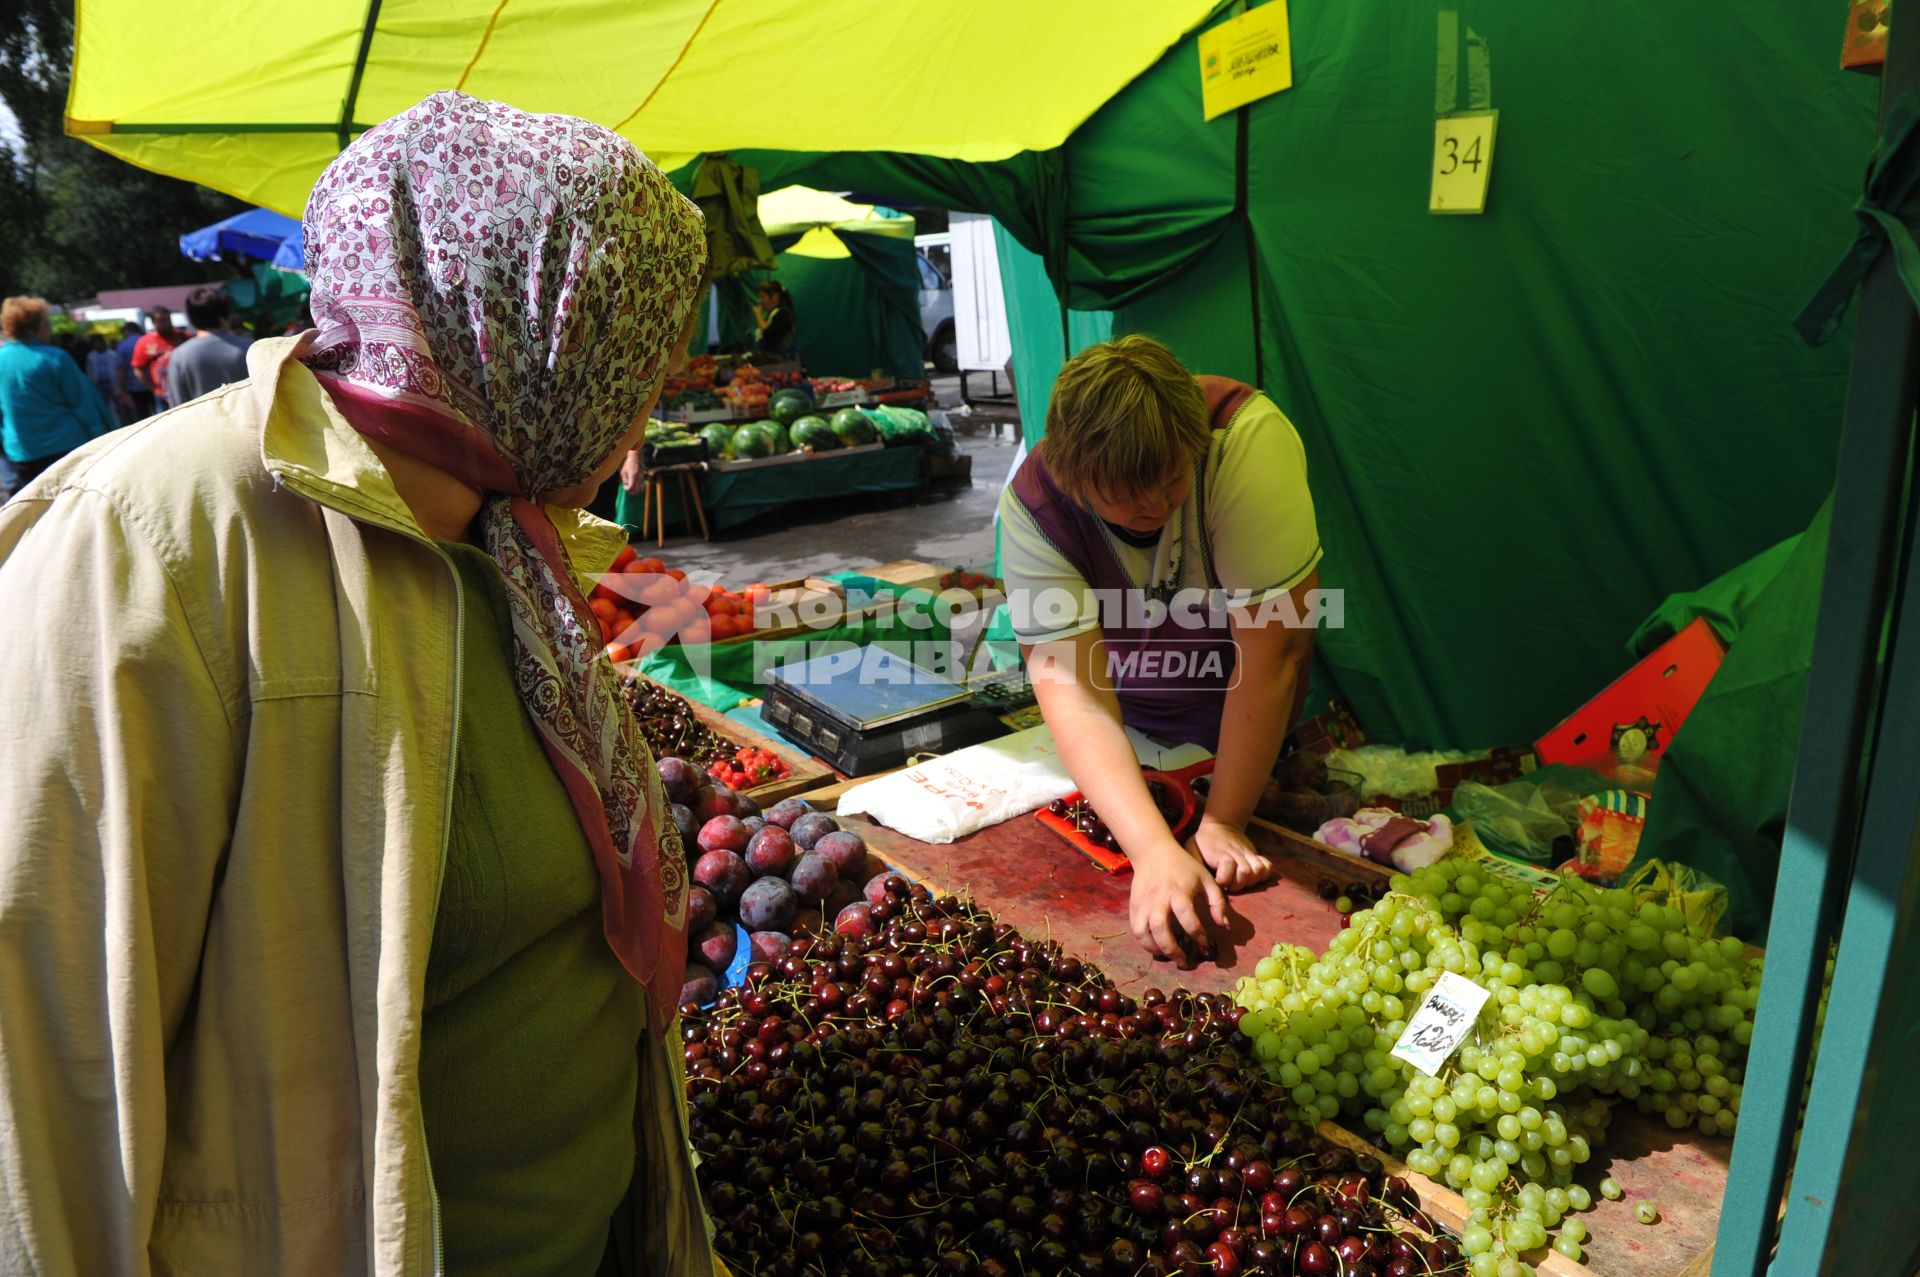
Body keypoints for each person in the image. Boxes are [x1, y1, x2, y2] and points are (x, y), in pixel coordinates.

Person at [0, 90, 714, 1276]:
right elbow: (44, 1077)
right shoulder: (149, 538)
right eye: (642, 360)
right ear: (536, 335)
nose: (651, 411)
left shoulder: (505, 533)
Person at [998, 335, 1323, 964]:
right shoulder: (1036, 507)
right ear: (1071, 476)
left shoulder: (1243, 440)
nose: (1153, 506)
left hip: (1252, 713)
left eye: (1172, 479)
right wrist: (1150, 849)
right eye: (1124, 493)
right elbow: (1074, 692)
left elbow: (1273, 654)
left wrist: (1225, 820)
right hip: (1131, 719)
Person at [0, 296, 118, 499]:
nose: (50, 330)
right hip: (66, 449)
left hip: (22, 453)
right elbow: (84, 405)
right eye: (46, 324)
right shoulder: (56, 358)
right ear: (33, 328)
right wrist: (106, 440)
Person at [165, 286, 252, 404]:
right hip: (249, 420)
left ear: (191, 319)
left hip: (200, 421)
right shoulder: (249, 348)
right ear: (224, 316)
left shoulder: (180, 356)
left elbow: (177, 404)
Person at [129, 309, 181, 412]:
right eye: (162, 321)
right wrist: (153, 389)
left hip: (184, 388)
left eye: (168, 319)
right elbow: (138, 369)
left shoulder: (182, 336)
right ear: (153, 322)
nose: (166, 323)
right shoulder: (144, 342)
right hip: (163, 395)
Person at [112, 318, 147, 422]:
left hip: (135, 387)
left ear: (127, 331)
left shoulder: (123, 346)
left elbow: (121, 369)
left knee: (143, 415)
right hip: (152, 384)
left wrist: (120, 387)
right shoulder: (146, 340)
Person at [753, 280, 797, 359]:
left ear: (775, 296)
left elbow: (770, 336)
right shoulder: (772, 314)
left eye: (763, 297)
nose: (761, 301)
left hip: (782, 362)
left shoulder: (783, 314)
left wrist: (758, 315)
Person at [84, 332, 119, 404]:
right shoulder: (91, 356)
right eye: (95, 343)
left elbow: (118, 369)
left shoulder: (112, 354)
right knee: (103, 403)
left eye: (98, 342)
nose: (97, 345)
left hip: (112, 383)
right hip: (99, 384)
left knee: (117, 403)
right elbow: (89, 370)